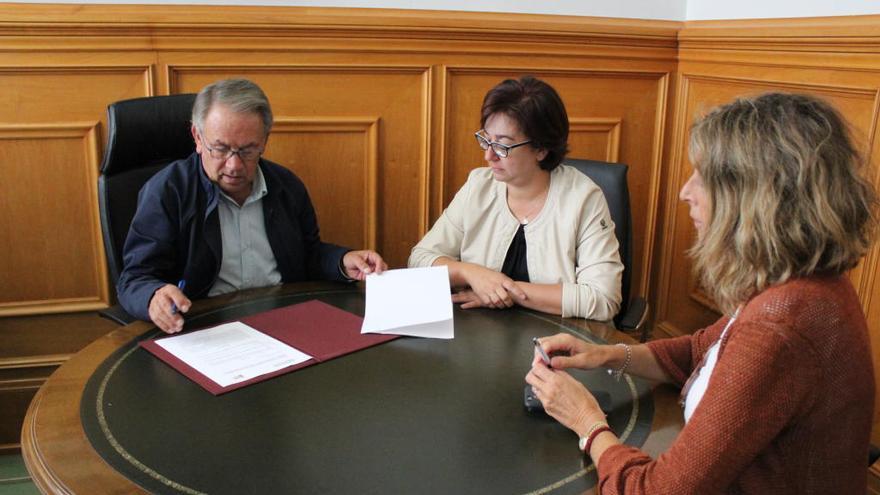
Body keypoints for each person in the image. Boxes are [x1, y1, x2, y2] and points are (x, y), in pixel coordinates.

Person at [526, 92, 878, 493]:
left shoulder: (782, 325)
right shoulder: (801, 284)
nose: (685, 191)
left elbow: (654, 491)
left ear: (754, 198)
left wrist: (587, 422)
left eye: (703, 177)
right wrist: (608, 355)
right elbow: (702, 352)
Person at [117, 78, 386, 333]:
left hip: (284, 321)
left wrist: (341, 260)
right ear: (198, 138)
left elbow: (308, 255)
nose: (234, 166)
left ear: (264, 142)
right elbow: (134, 279)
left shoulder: (286, 187)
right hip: (208, 329)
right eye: (220, 149)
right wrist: (153, 296)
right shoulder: (167, 191)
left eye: (247, 151)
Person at [408, 76, 623, 321]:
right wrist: (471, 274)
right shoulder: (479, 185)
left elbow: (603, 298)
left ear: (542, 149)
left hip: (556, 340)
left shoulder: (583, 199)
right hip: (479, 335)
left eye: (503, 146)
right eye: (486, 139)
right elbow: (420, 259)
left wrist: (502, 291)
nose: (489, 155)